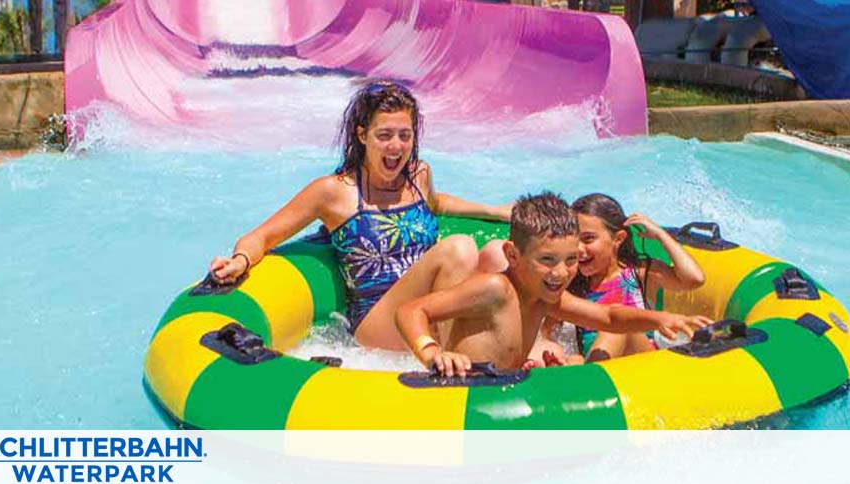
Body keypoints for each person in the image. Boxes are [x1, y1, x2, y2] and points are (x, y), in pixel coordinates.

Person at [209, 81, 510, 350]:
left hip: (428, 307)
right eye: (385, 135)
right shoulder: (335, 192)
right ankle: (456, 354)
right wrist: (240, 261)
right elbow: (262, 236)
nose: (396, 146)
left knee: (498, 254)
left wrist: (493, 210)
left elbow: (436, 204)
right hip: (379, 319)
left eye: (405, 135)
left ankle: (526, 345)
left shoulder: (419, 174)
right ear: (363, 136)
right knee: (459, 248)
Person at [395, 192, 712, 377]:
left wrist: (663, 319)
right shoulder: (495, 289)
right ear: (513, 255)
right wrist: (433, 353)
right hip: (464, 391)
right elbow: (412, 310)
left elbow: (609, 318)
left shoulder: (545, 297)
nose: (561, 273)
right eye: (547, 260)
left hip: (502, 386)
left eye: (571, 260)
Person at [558, 193, 706, 362]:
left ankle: (590, 385)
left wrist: (660, 234)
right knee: (573, 359)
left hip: (642, 364)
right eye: (574, 240)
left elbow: (694, 279)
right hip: (600, 367)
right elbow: (548, 335)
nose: (579, 249)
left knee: (618, 330)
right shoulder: (571, 283)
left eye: (588, 239)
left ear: (618, 238)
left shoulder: (639, 273)